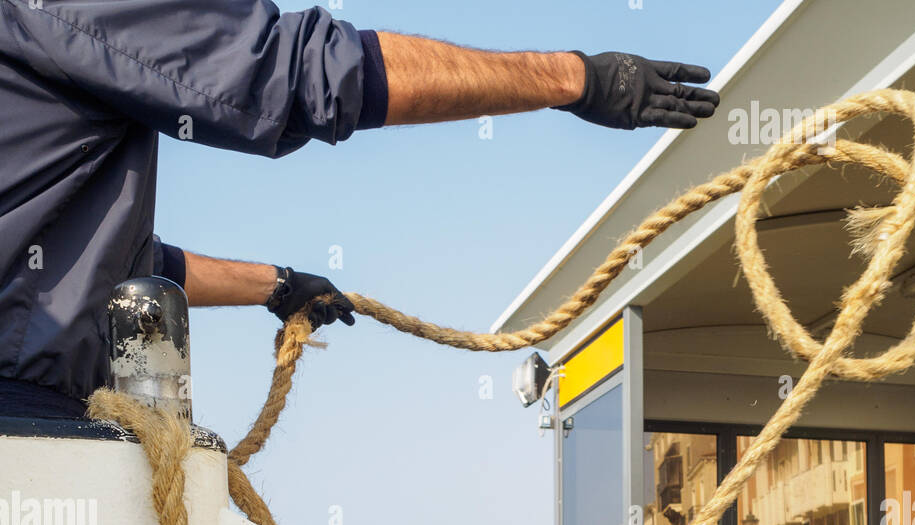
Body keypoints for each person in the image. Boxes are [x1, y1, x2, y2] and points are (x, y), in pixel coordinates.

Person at [0, 2, 719, 420]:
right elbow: (295, 76)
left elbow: (106, 267)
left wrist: (277, 286)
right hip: (27, 426)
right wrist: (577, 79)